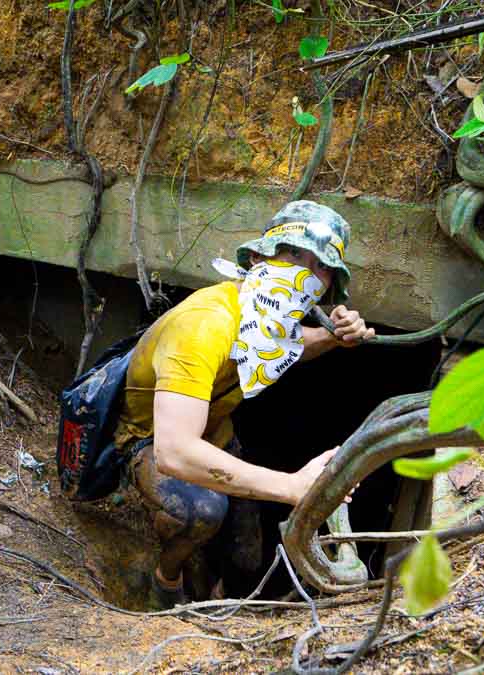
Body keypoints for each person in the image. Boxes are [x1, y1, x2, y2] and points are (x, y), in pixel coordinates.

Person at [112, 200, 375, 608]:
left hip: (218, 436)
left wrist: (333, 338)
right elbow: (175, 452)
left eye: (320, 267)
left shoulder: (261, 315)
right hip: (147, 441)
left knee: (247, 554)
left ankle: (222, 597)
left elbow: (283, 346)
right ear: (257, 258)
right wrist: (291, 486)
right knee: (203, 510)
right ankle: (166, 578)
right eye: (292, 255)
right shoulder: (203, 326)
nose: (305, 274)